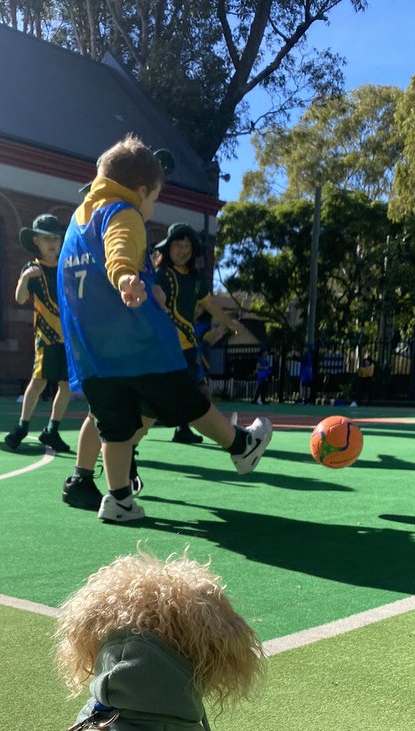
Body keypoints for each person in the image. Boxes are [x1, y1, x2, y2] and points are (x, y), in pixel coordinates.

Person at [58, 133, 271, 524]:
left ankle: (118, 498)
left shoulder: (78, 221)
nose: (152, 207)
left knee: (115, 428)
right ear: (140, 189)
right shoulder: (123, 212)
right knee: (188, 399)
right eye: (154, 197)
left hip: (93, 354)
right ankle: (241, 445)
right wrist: (125, 279)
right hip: (137, 346)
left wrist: (142, 281)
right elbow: (119, 249)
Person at [154, 222, 247, 443]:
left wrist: (230, 323)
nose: (182, 250)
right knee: (159, 393)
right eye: (177, 244)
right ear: (168, 248)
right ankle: (127, 441)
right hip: (164, 346)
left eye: (187, 245)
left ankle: (182, 428)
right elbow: (155, 300)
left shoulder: (196, 279)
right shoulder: (162, 275)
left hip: (187, 345)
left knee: (194, 389)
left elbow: (210, 304)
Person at [2, 214, 72, 453]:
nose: (52, 243)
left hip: (69, 337)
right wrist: (24, 279)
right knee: (39, 380)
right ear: (36, 241)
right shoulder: (33, 268)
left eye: (55, 238)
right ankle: (22, 426)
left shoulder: (67, 265)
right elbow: (20, 299)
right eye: (46, 239)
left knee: (67, 385)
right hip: (47, 335)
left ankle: (52, 429)